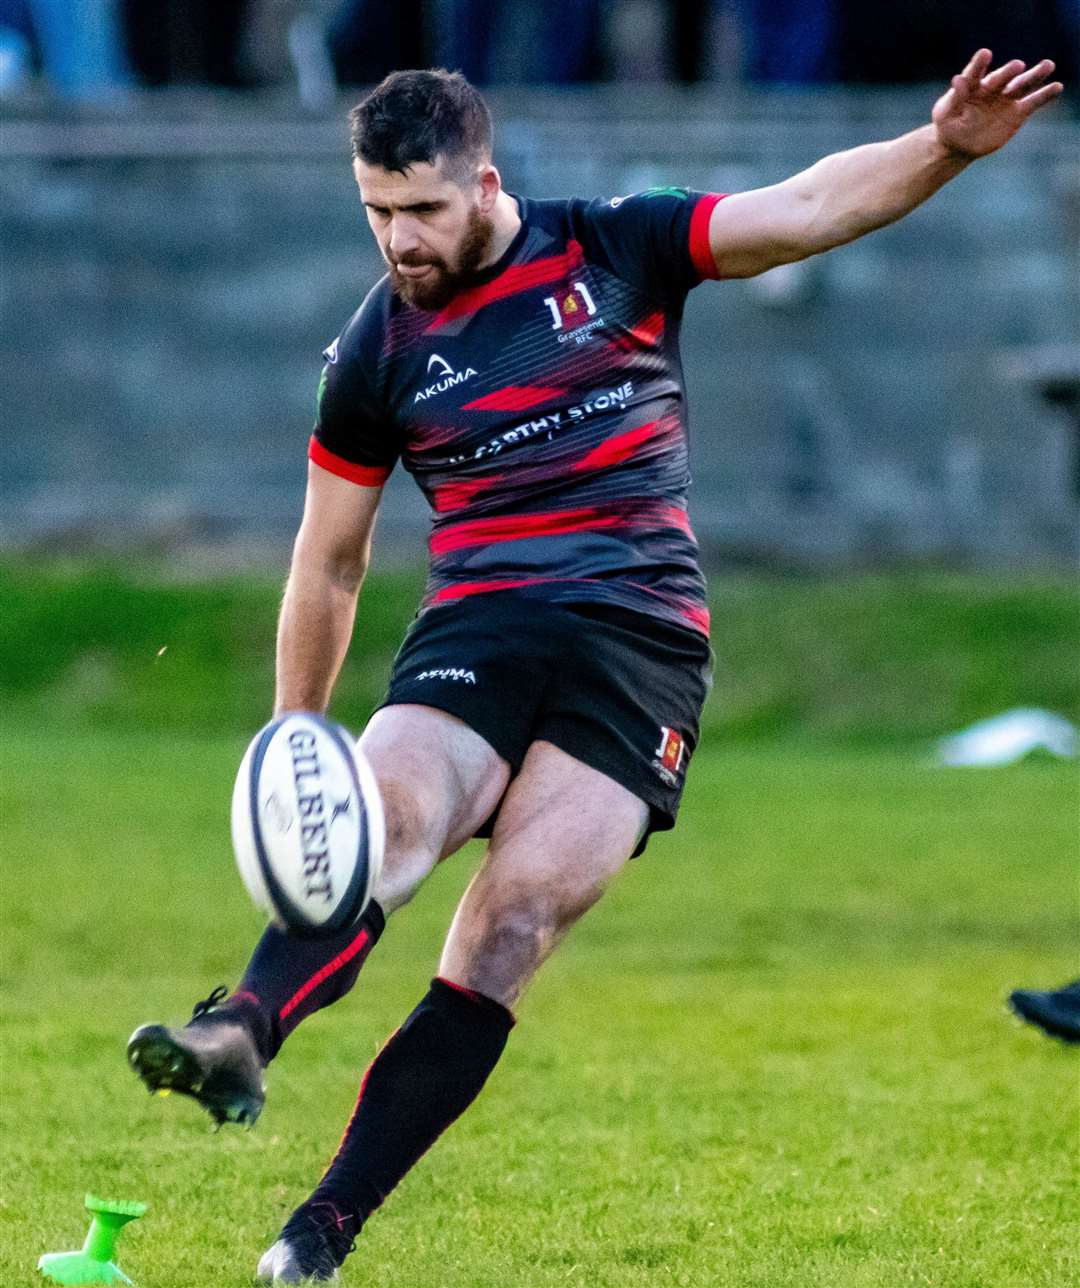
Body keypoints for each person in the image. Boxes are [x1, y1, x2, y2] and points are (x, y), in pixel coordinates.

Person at [126, 53, 1063, 1283]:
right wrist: (299, 735)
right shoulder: (374, 352)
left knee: (508, 927)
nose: (398, 239)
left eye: (420, 209)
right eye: (375, 210)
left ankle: (320, 1231)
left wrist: (941, 147)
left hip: (643, 649)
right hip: (484, 628)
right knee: (386, 829)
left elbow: (805, 208)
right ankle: (243, 1026)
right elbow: (331, 561)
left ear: (486, 184)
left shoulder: (616, 247)